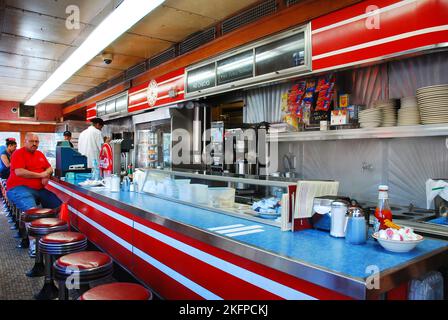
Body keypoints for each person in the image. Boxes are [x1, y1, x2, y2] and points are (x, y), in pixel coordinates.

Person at [6, 133, 62, 212]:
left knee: (59, 208)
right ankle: (31, 222)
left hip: (40, 189)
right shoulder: (18, 153)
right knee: (32, 212)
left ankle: (48, 222)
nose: (34, 144)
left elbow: (49, 168)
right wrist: (41, 175)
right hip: (19, 188)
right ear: (25, 142)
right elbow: (19, 172)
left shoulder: (39, 154)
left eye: (36, 141)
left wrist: (46, 175)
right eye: (31, 141)